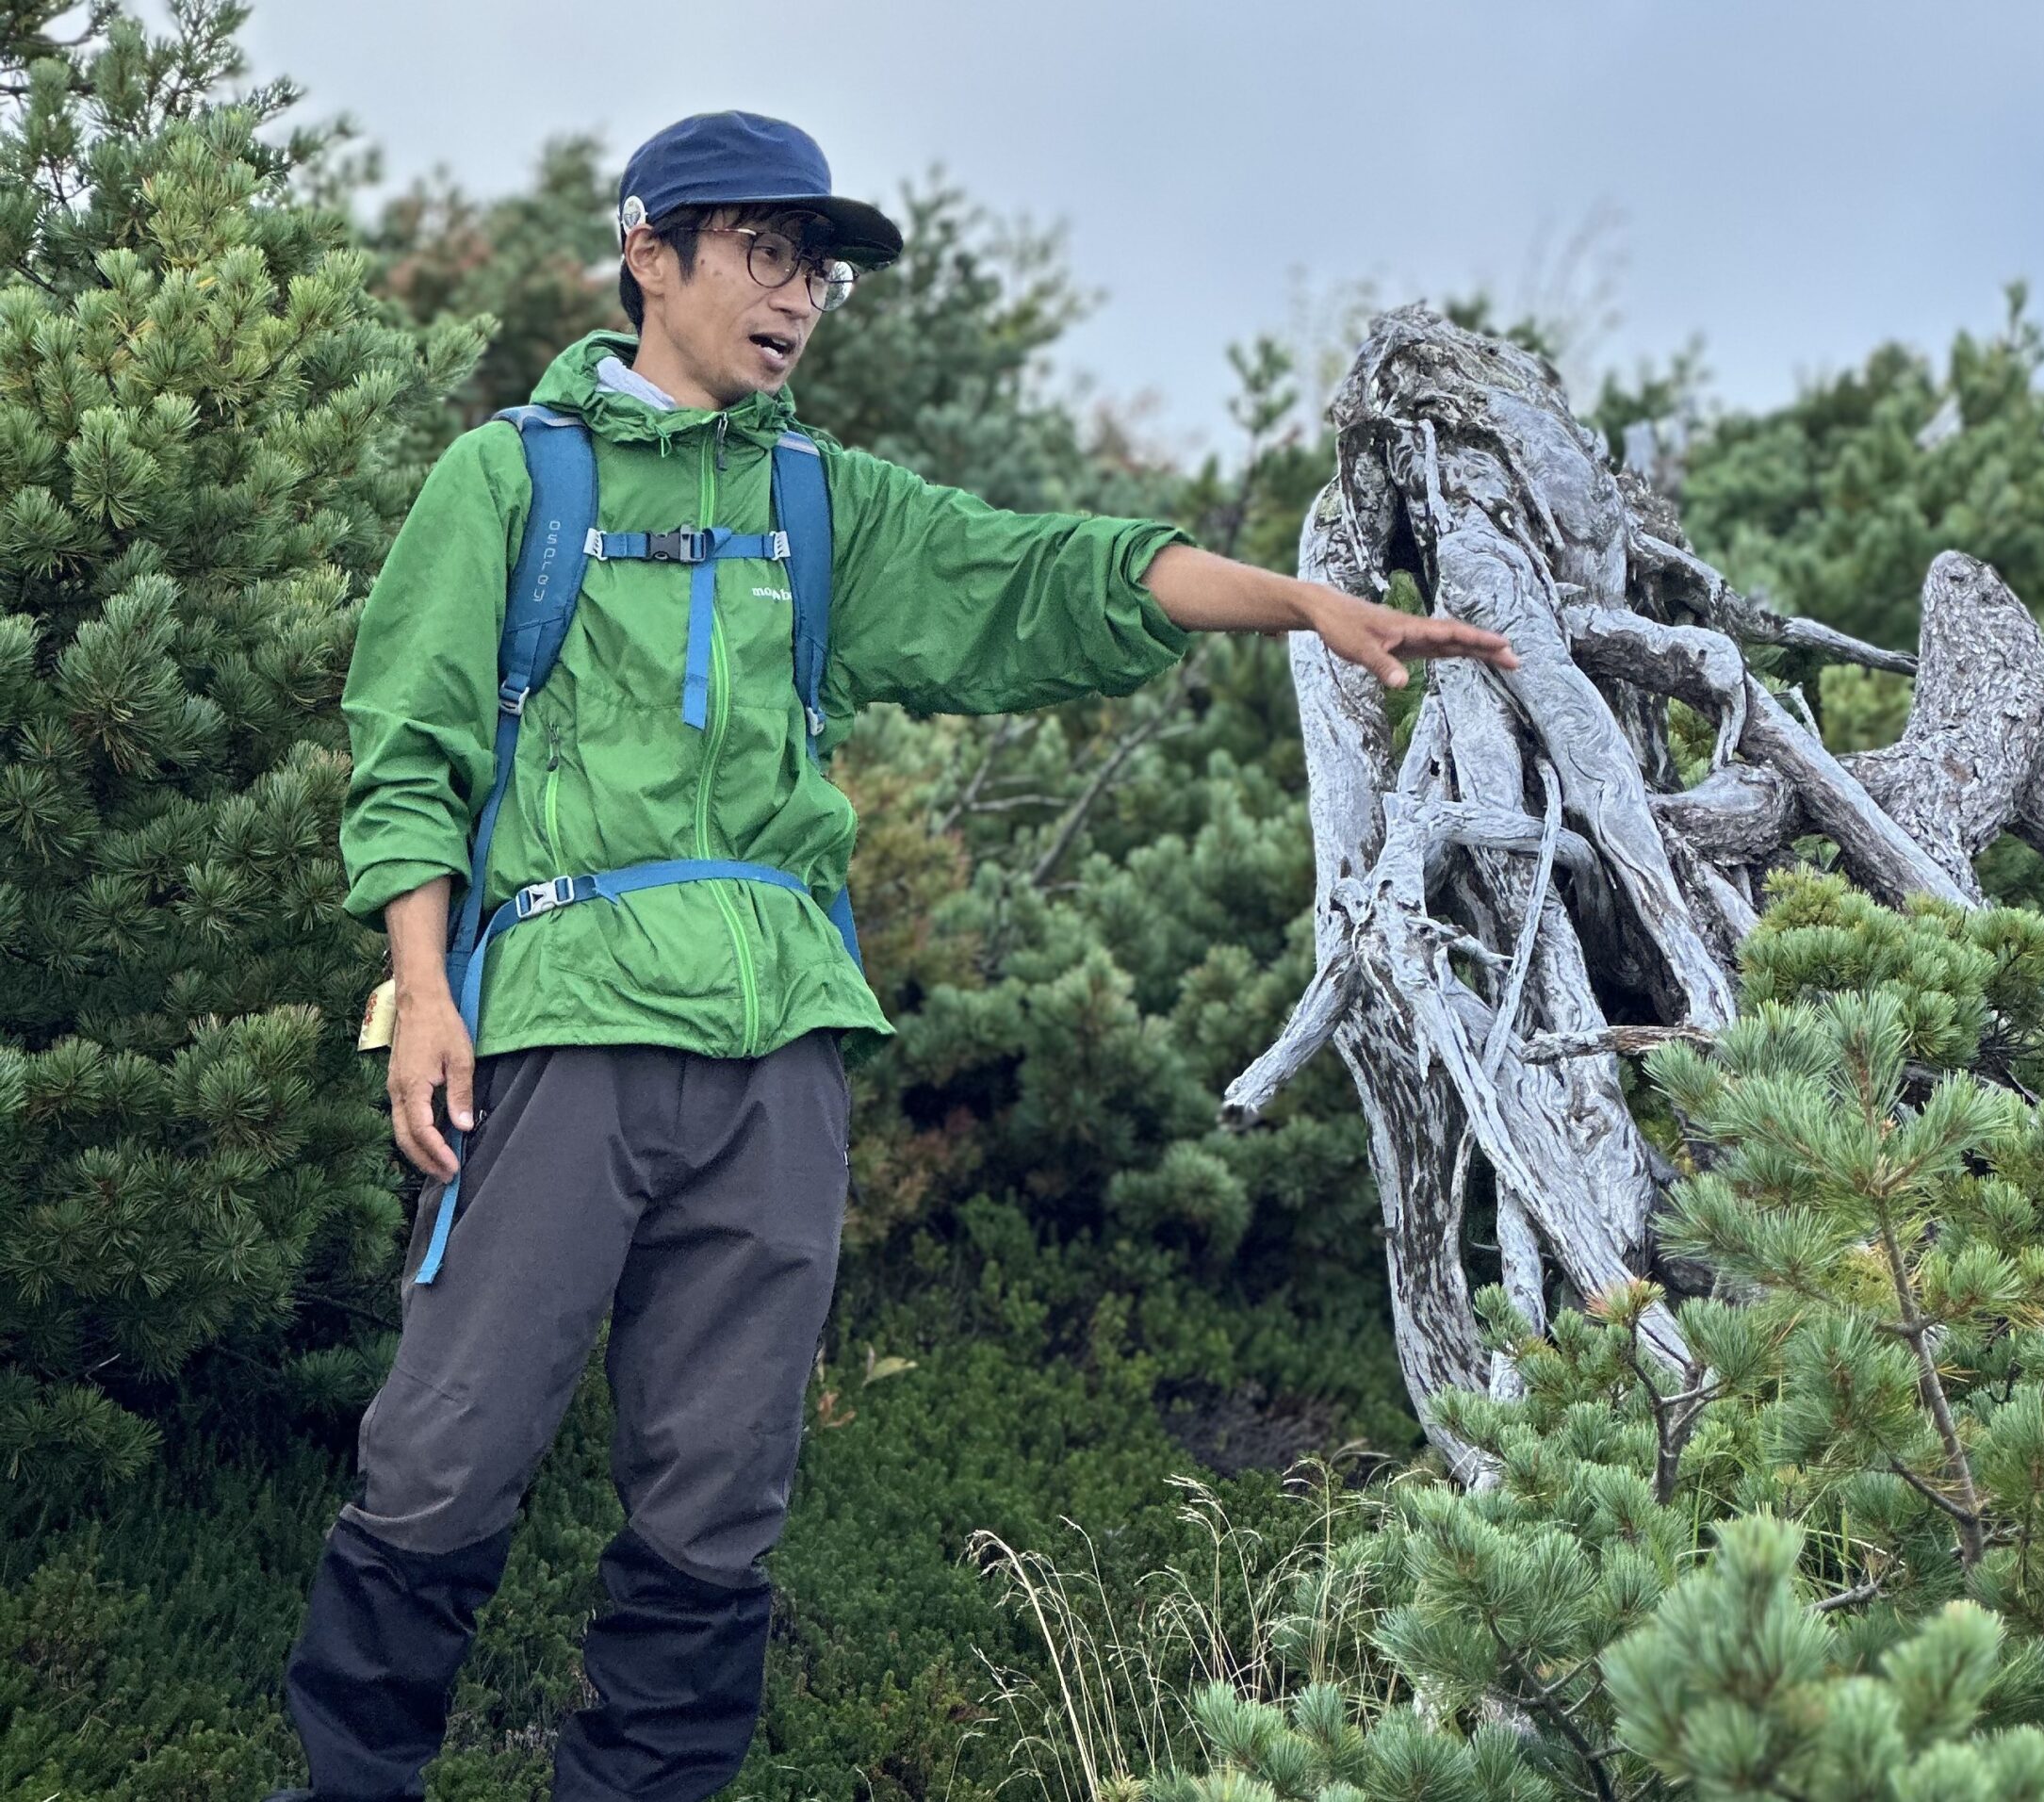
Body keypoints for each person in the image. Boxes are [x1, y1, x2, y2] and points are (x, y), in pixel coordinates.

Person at [271, 109, 1515, 1802]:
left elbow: (1045, 579)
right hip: (558, 1022)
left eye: (822, 273)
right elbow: (407, 749)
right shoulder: (510, 478)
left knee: (718, 1504)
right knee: (445, 1458)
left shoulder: (815, 502)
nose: (798, 298)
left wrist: (1308, 604)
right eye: (768, 255)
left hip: (783, 1052)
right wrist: (425, 992)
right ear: (653, 253)